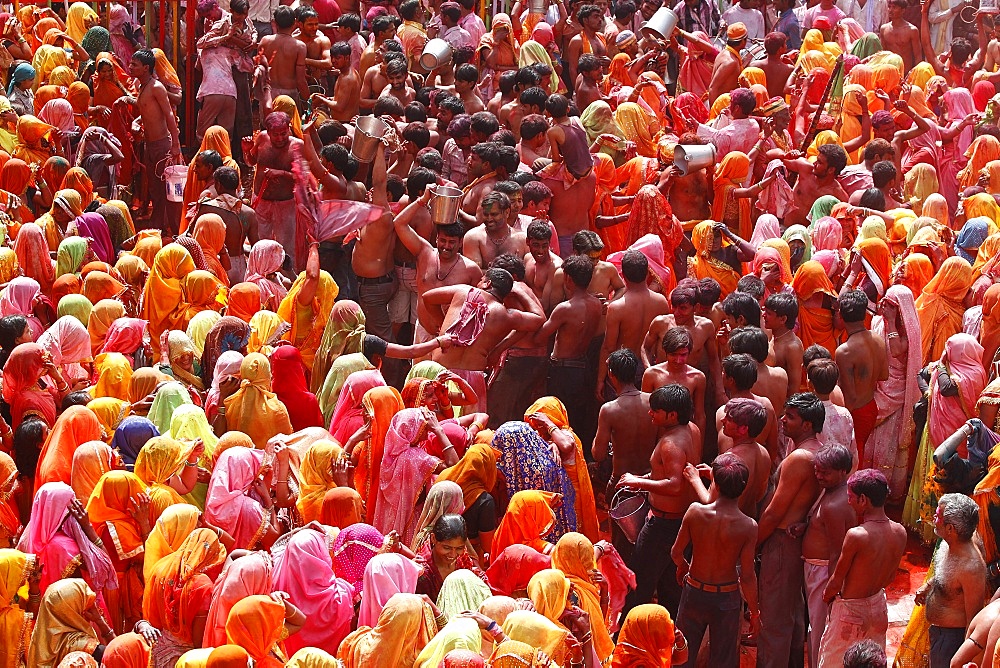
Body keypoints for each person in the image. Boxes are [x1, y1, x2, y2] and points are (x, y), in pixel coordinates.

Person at [617, 384, 700, 618]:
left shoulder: (670, 443)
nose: (650, 413)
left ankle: (628, 636)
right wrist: (645, 479)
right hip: (680, 524)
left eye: (656, 410)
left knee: (638, 584)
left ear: (672, 415)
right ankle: (663, 636)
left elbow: (674, 485)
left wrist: (638, 483)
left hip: (662, 526)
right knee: (670, 587)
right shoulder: (692, 429)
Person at [756, 393, 825, 668]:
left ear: (807, 424)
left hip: (782, 542)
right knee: (794, 616)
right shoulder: (822, 451)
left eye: (790, 417)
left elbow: (774, 512)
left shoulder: (799, 458)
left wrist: (753, 544)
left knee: (774, 619)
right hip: (798, 542)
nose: (782, 421)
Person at [672, 453, 759, 668]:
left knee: (682, 653)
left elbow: (676, 552)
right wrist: (755, 613)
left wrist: (683, 566)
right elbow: (747, 576)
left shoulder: (695, 512)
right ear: (742, 488)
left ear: (715, 484)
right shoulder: (748, 526)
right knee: (724, 659)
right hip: (726, 598)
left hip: (694, 590)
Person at [818, 469, 907, 668]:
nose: (848, 501)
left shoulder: (857, 535)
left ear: (863, 500)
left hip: (850, 611)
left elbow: (836, 580)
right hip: (878, 606)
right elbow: (890, 577)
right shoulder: (900, 532)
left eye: (851, 497)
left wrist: (827, 598)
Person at [791, 445, 857, 668]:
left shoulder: (837, 502)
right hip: (816, 569)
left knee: (819, 627)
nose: (819, 476)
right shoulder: (831, 492)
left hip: (823, 571)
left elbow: (838, 550)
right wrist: (807, 527)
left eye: (825, 472)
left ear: (842, 471)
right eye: (817, 471)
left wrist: (832, 586)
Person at [592, 348, 659, 558]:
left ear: (611, 374)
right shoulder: (653, 401)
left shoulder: (610, 410)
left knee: (623, 548)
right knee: (649, 543)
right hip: (652, 483)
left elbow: (598, 454)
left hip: (622, 486)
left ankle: (626, 587)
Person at [916, 493, 986, 668]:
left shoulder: (971, 568)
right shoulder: (952, 542)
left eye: (938, 515)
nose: (934, 517)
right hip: (938, 634)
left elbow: (974, 620)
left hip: (951, 641)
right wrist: (928, 585)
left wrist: (965, 660)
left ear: (950, 529)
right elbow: (946, 573)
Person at [597, 250, 669, 398]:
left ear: (623, 275)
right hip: (647, 366)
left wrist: (600, 380)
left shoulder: (617, 308)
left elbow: (609, 347)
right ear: (648, 273)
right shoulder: (661, 302)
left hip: (621, 369)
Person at [130, 49, 181, 235]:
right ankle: (159, 224)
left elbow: (169, 115)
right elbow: (148, 112)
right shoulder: (142, 86)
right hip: (150, 145)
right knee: (155, 188)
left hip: (162, 145)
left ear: (146, 68)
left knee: (167, 189)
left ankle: (172, 229)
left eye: (134, 64)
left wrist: (175, 145)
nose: (130, 67)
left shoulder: (156, 87)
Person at [834, 290, 889, 462]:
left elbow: (849, 397)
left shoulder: (845, 351)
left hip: (855, 412)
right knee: (858, 452)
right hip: (871, 407)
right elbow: (884, 375)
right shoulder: (878, 339)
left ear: (841, 317)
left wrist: (838, 421)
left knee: (851, 460)